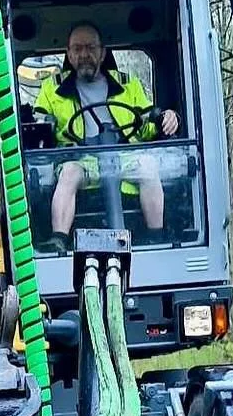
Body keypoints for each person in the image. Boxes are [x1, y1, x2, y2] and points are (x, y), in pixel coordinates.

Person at [33, 22, 181, 253]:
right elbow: (39, 125)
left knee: (149, 166)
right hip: (81, 159)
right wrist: (44, 127)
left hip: (124, 158)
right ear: (69, 54)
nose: (85, 55)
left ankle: (157, 239)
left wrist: (166, 118)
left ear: (103, 52)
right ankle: (59, 239)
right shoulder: (51, 89)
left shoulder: (127, 84)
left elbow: (146, 122)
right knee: (69, 173)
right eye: (78, 49)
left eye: (91, 47)